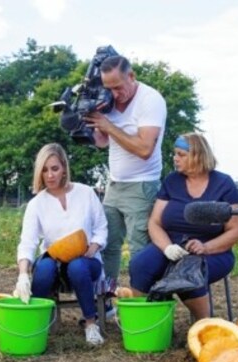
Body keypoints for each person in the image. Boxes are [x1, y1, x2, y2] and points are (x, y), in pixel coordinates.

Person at [128, 133, 238, 320]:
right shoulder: (172, 181)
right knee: (140, 264)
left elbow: (235, 231)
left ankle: (203, 325)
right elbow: (155, 222)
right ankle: (147, 322)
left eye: (181, 154)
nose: (175, 158)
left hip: (212, 251)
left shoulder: (223, 184)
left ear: (197, 155)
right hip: (173, 245)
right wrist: (167, 248)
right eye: (175, 154)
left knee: (189, 272)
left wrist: (205, 247)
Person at [84, 55, 167, 294]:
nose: (114, 94)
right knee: (107, 245)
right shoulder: (108, 101)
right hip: (115, 184)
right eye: (108, 88)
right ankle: (107, 301)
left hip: (142, 186)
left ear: (132, 76)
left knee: (140, 249)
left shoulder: (150, 100)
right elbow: (103, 143)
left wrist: (109, 126)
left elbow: (144, 149)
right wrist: (92, 125)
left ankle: (139, 304)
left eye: (118, 87)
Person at [14, 143, 109, 346]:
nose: (50, 175)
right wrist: (23, 274)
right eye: (45, 170)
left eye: (54, 168)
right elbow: (28, 242)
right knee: (45, 267)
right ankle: (34, 322)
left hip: (86, 260)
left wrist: (93, 248)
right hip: (55, 260)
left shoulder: (86, 193)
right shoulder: (36, 204)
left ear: (64, 168)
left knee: (77, 266)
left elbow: (102, 228)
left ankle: (91, 324)